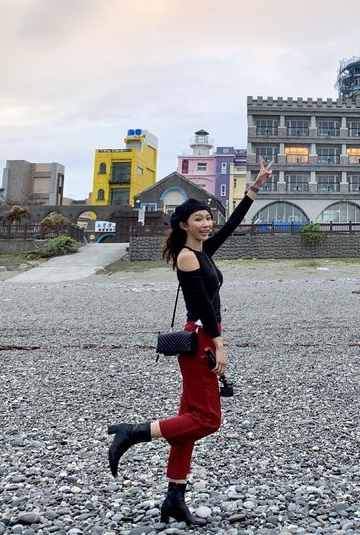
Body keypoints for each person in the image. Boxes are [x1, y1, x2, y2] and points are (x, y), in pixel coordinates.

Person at [106, 157, 275, 526]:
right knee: (207, 419)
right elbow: (199, 303)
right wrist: (220, 344)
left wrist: (255, 188)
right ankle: (133, 432)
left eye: (207, 217)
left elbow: (230, 225)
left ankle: (174, 500)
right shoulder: (186, 257)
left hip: (203, 335)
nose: (207, 222)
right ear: (184, 224)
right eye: (199, 219)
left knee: (188, 425)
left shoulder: (202, 251)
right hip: (200, 338)